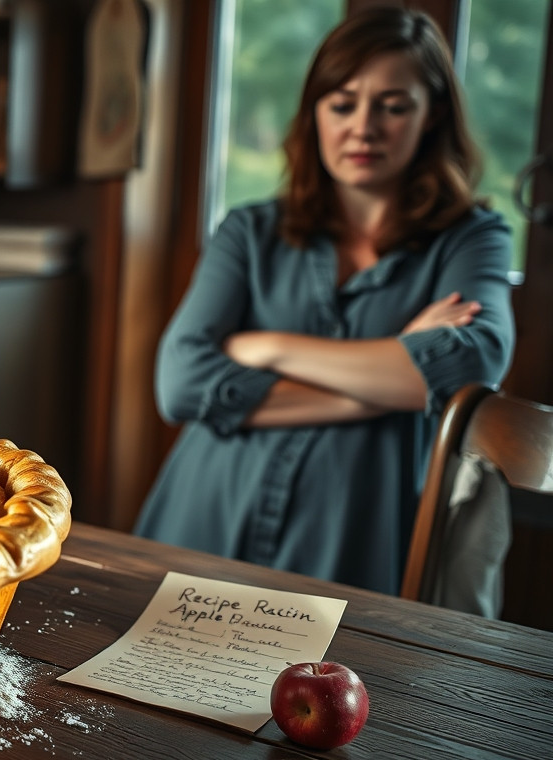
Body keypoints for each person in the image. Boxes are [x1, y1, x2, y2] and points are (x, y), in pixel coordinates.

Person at [133, 8, 516, 595]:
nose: (364, 128)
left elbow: (472, 364)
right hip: (204, 513)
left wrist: (267, 345)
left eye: (393, 105)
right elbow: (180, 383)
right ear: (314, 111)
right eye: (342, 103)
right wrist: (387, 378)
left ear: (432, 113)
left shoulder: (474, 237)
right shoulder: (249, 230)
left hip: (357, 532)